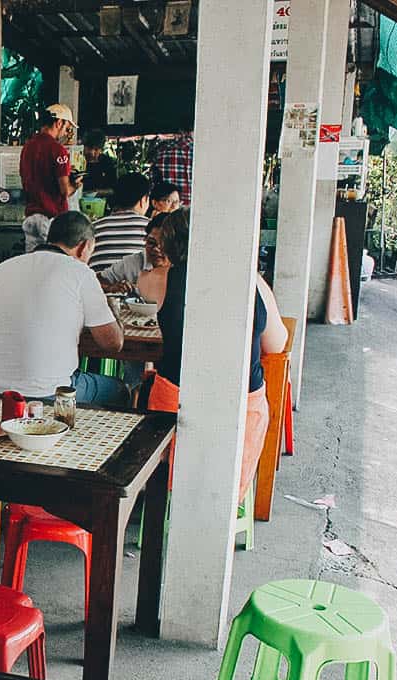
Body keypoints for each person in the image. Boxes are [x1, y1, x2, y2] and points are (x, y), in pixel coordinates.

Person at [140, 209, 287, 502]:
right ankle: (226, 505)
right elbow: (277, 343)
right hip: (242, 410)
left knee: (146, 386)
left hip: (177, 405)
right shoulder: (253, 282)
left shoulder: (156, 280)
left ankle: (163, 499)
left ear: (168, 244)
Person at [0, 211, 127, 405]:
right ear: (84, 247)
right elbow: (113, 344)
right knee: (119, 390)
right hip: (46, 395)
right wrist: (112, 307)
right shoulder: (80, 272)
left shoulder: (3, 267)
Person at [19, 104, 81, 252]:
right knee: (53, 265)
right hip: (51, 219)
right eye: (67, 128)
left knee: (34, 266)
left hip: (31, 218)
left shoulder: (28, 147)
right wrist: (76, 185)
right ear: (59, 123)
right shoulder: (58, 150)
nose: (66, 133)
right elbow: (65, 190)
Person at [88, 172, 151, 271]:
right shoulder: (152, 229)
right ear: (143, 200)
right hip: (139, 285)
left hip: (97, 285)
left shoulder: (93, 227)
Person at [98, 212, 169, 292]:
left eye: (163, 244)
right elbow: (97, 280)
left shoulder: (183, 269)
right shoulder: (133, 263)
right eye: (151, 242)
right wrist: (111, 288)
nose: (156, 249)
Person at [151, 122, 194, 208]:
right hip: (192, 211)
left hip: (167, 210)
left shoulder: (161, 151)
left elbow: (154, 184)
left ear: (180, 132)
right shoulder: (199, 152)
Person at [81, 129, 118, 195]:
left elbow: (113, 189)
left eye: (96, 149)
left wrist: (97, 192)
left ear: (101, 149)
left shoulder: (107, 162)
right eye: (89, 148)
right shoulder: (77, 161)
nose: (92, 153)